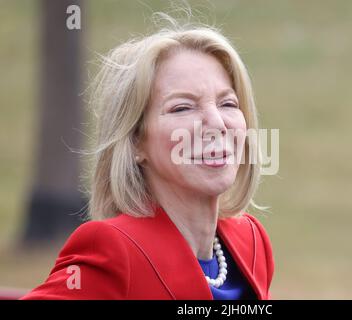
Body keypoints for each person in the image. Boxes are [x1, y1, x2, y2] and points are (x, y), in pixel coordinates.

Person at [21, 17, 274, 300]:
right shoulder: (113, 249)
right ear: (135, 140)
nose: (216, 123)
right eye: (182, 108)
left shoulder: (250, 240)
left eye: (228, 103)